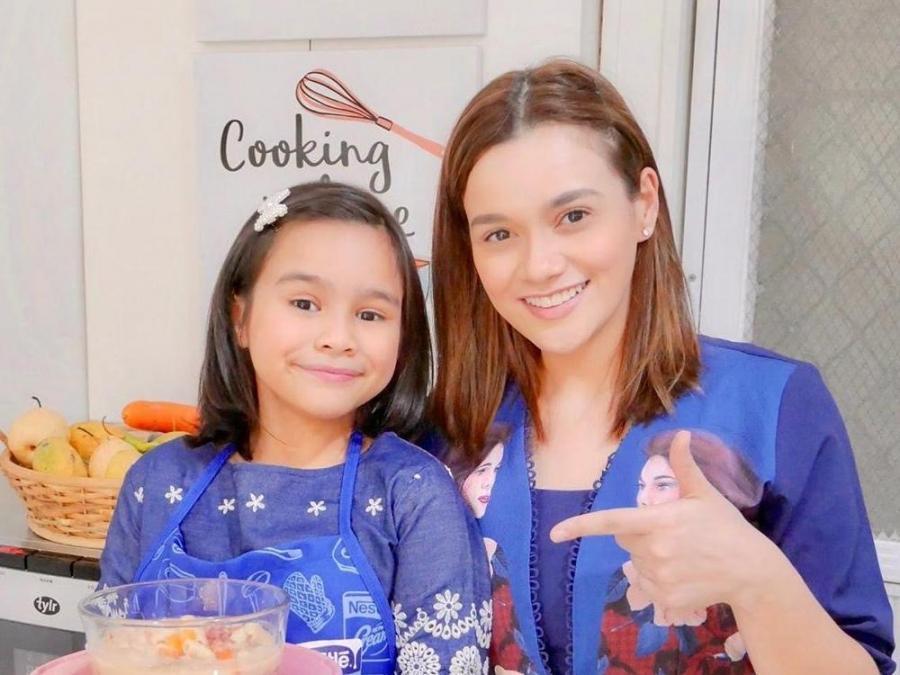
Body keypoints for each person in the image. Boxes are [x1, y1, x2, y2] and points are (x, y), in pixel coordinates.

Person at [427, 58, 894, 674]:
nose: (539, 265)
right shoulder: (444, 433)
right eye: (499, 234)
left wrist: (756, 580)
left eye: (573, 216)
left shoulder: (772, 406)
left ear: (644, 204)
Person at [99, 181, 491, 673]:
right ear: (240, 317)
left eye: (370, 314)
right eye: (304, 303)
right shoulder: (156, 482)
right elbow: (110, 655)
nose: (338, 338)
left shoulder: (412, 494)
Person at [599, 430, 762, 673]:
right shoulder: (626, 582)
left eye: (662, 485)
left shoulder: (756, 583)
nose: (644, 498)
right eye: (641, 486)